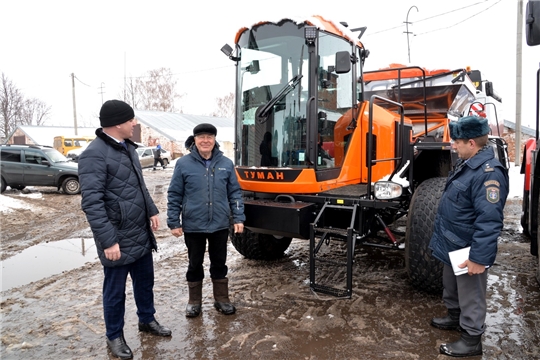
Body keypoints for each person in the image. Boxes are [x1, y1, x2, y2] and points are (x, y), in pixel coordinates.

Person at [79, 99, 171, 360]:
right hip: (116, 236)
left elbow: (139, 186)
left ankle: (147, 320)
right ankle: (114, 336)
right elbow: (92, 204)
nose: (134, 124)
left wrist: (151, 209)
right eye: (131, 119)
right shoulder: (93, 154)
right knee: (115, 292)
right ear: (118, 123)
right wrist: (108, 241)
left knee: (145, 282)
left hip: (139, 232)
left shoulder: (128, 148)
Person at [428, 115, 509, 357]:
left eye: (457, 142)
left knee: (471, 293)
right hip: (452, 243)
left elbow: (489, 221)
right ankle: (454, 317)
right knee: (451, 286)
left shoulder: (488, 174)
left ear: (471, 143)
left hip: (467, 249)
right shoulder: (468, 164)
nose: (453, 145)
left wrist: (478, 258)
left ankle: (472, 339)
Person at [167, 123, 245, 318]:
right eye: (201, 137)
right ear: (194, 140)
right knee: (195, 263)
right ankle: (194, 302)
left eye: (209, 137)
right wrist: (174, 221)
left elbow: (235, 193)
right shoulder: (183, 164)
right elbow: (175, 194)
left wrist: (238, 217)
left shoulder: (226, 163)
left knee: (219, 263)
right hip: (194, 224)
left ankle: (221, 299)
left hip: (219, 223)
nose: (205, 140)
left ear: (214, 140)